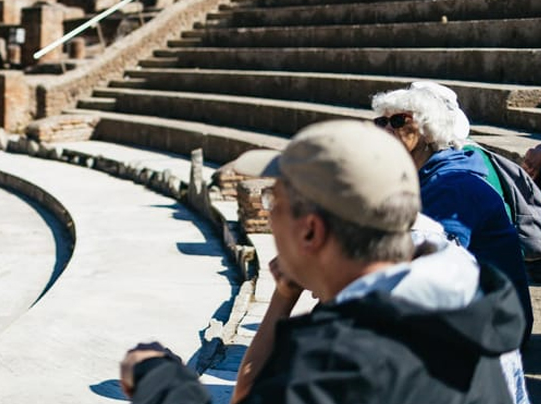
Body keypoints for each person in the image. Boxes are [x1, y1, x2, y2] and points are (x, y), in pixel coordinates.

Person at [118, 120, 526, 403]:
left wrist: (159, 380)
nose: (269, 213)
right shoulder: (477, 296)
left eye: (273, 202)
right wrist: (283, 295)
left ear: (311, 231)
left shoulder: (337, 360)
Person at [371, 82, 532, 339]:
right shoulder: (420, 177)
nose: (388, 128)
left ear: (429, 130)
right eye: (382, 122)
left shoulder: (453, 186)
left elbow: (427, 268)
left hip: (494, 327)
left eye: (400, 120)